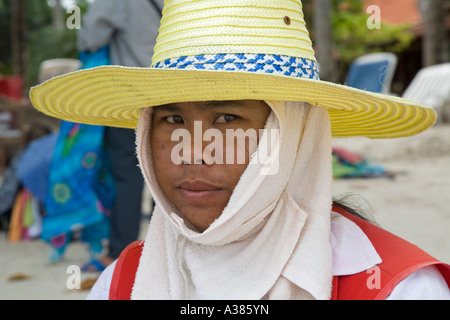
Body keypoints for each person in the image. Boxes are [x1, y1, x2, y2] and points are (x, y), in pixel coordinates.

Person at [30, 0, 450, 299]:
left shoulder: (398, 288)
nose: (192, 153)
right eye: (172, 120)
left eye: (227, 119)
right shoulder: (120, 283)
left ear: (296, 137)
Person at [76, 0, 163, 269]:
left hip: (130, 98)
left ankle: (120, 253)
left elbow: (91, 37)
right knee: (172, 172)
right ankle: (172, 249)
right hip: (172, 92)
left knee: (127, 177)